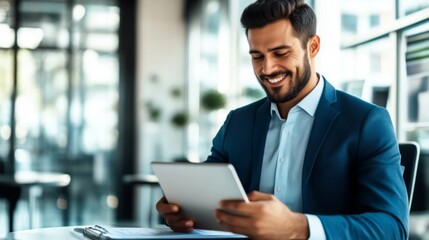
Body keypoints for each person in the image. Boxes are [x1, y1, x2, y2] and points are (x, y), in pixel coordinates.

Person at [156, 0, 408, 239]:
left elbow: (392, 227)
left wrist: (298, 228)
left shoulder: (366, 122)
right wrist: (178, 212)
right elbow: (203, 196)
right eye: (257, 56)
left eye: (280, 53)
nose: (267, 68)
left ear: (313, 46)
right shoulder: (237, 123)